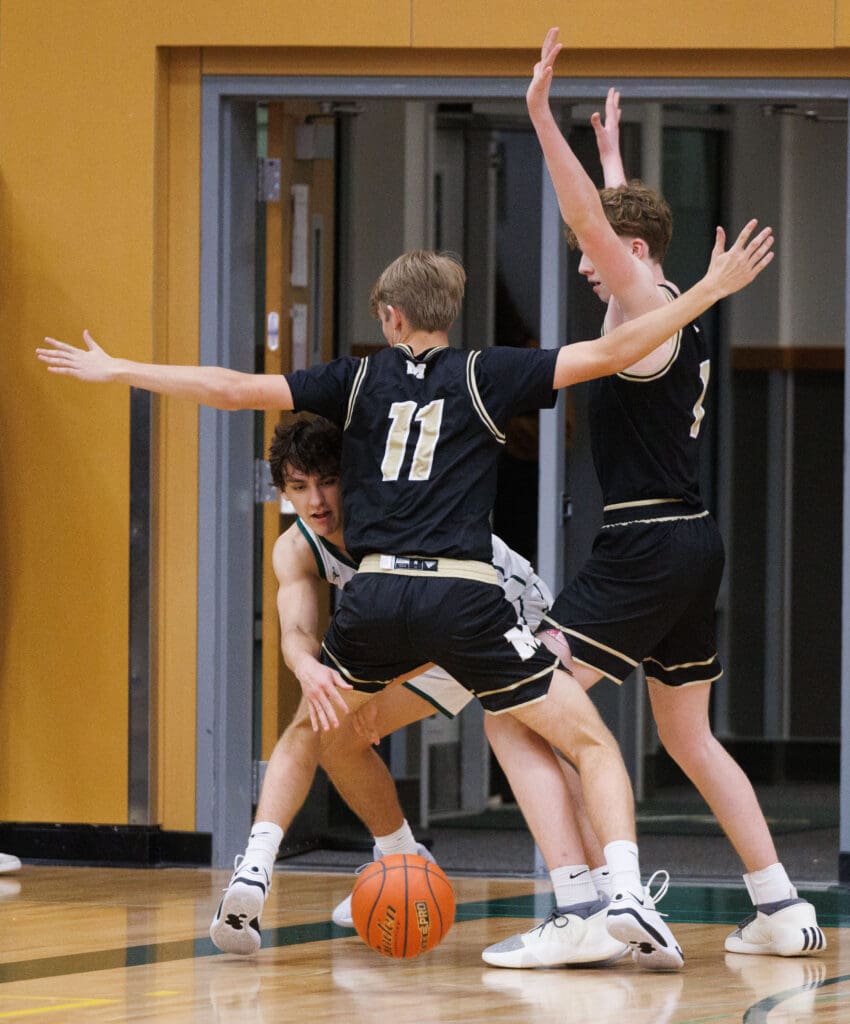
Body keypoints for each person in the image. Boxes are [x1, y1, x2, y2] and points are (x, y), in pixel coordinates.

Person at [38, 227, 773, 971]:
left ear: (388, 316)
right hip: (463, 597)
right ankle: (614, 896)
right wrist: (708, 291)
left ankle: (265, 868)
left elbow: (232, 389)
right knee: (588, 741)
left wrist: (117, 368)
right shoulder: (490, 373)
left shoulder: (355, 383)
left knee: (322, 726)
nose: (317, 499)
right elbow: (614, 355)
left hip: (382, 593)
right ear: (450, 313)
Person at [483, 26, 824, 967]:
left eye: (600, 254)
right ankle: (782, 907)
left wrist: (541, 120)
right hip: (691, 540)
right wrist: (615, 155)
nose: (584, 264)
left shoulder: (643, 302)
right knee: (687, 735)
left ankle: (589, 907)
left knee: (516, 708)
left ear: (634, 250)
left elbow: (598, 228)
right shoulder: (667, 303)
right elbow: (623, 227)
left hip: (640, 545)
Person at [211, 416, 593, 958]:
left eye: (327, 481)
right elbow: (295, 628)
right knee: (330, 726)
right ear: (282, 491)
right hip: (424, 627)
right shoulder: (294, 548)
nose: (316, 500)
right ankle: (383, 860)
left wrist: (371, 684)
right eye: (299, 487)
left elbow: (435, 617)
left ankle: (604, 899)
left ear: (354, 476)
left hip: (501, 609)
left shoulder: (393, 517)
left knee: (540, 744)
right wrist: (308, 668)